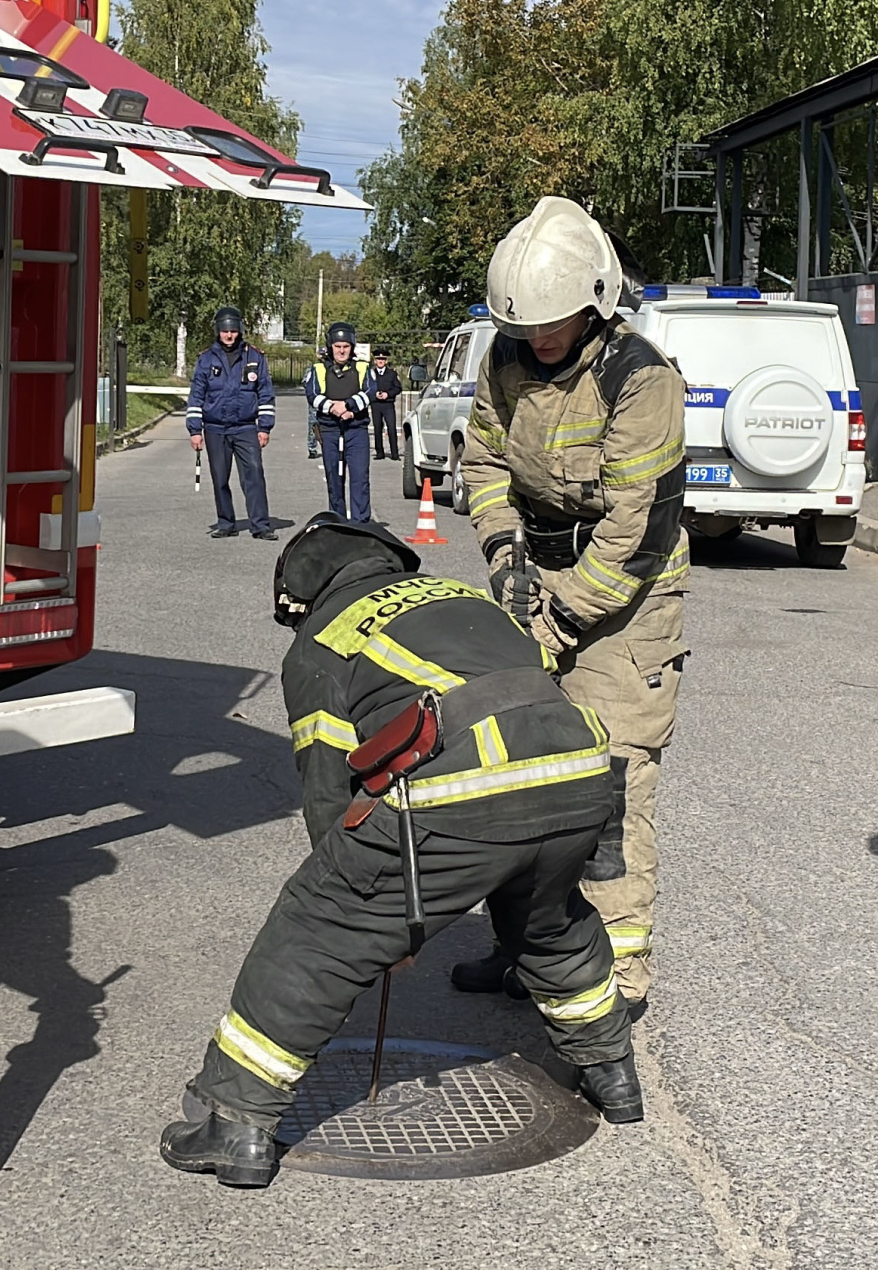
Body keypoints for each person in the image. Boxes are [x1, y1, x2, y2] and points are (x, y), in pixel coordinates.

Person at [157, 516, 641, 1188]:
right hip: (583, 776)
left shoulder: (324, 641)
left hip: (469, 786)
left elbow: (331, 791)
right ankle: (611, 1071)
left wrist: (365, 904)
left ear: (303, 595)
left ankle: (234, 1118)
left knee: (314, 931)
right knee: (548, 922)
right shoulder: (462, 595)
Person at [456, 197, 687, 1014]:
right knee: (518, 780)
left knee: (609, 788)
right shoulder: (505, 356)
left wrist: (556, 621)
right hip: (540, 581)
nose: (540, 341)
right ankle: (523, 951)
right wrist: (506, 556)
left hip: (627, 601)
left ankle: (618, 977)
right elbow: (481, 464)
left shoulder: (641, 378)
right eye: (526, 328)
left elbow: (635, 530)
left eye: (555, 325)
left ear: (597, 298)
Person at [186, 306, 278, 540]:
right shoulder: (206, 359)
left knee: (254, 475)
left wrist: (265, 426)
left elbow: (265, 392)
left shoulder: (255, 357)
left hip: (246, 427)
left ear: (240, 331)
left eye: (234, 331)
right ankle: (226, 523)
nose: (229, 335)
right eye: (225, 331)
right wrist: (195, 430)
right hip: (215, 428)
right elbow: (197, 394)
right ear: (218, 331)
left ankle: (260, 525)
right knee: (219, 477)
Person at [303, 322, 373, 521]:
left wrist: (349, 406)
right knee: (334, 478)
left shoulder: (362, 367)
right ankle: (338, 520)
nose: (341, 351)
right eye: (337, 346)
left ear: (351, 347)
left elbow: (370, 391)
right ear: (331, 346)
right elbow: (312, 394)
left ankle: (361, 523)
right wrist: (333, 408)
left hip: (356, 430)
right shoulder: (317, 369)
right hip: (330, 429)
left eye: (346, 347)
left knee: (360, 478)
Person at [367, 347, 403, 460]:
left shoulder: (391, 374)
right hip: (376, 404)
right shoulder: (370, 374)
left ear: (386, 361)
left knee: (391, 428)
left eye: (382, 359)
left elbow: (398, 388)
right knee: (378, 428)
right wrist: (375, 394)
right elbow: (366, 388)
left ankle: (394, 453)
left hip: (388, 404)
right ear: (375, 361)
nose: (380, 361)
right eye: (378, 359)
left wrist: (388, 394)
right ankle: (379, 453)